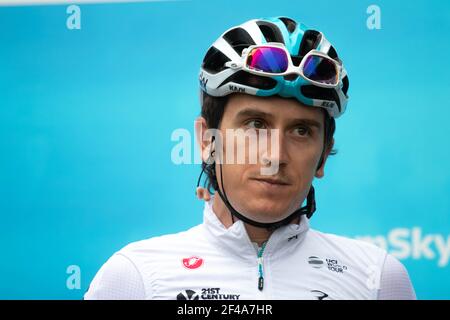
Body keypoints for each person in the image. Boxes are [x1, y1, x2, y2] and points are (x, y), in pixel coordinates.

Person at [84, 16, 416, 300]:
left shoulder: (379, 280)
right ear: (206, 140)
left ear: (324, 156)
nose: (275, 156)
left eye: (301, 131)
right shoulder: (134, 278)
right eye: (255, 125)